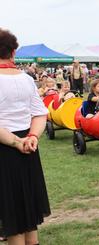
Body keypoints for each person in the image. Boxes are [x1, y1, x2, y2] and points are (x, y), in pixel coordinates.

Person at [0, 28, 51, 245]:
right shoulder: (27, 79)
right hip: (27, 145)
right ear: (13, 52)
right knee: (27, 214)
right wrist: (32, 138)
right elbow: (40, 113)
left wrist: (17, 141)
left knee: (13, 214)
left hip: (6, 147)